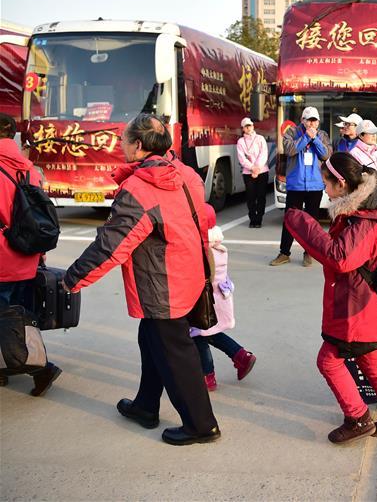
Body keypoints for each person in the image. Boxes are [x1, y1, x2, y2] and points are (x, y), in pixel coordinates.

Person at [63, 113, 220, 446]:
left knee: (176, 353)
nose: (120, 145)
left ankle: (201, 425)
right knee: (152, 342)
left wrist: (72, 279)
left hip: (162, 284)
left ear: (137, 145)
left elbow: (112, 245)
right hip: (188, 273)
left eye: (123, 140)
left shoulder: (139, 188)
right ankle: (146, 406)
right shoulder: (185, 173)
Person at [284, 153, 377, 444]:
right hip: (366, 306)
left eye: (327, 183)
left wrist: (300, 221)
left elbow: (340, 258)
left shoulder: (365, 221)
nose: (324, 189)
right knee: (368, 357)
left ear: (342, 183)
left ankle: (358, 418)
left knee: (328, 361)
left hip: (357, 309)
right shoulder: (365, 210)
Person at [0, 113, 61, 395]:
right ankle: (18, 366)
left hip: (2, 256)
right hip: (27, 254)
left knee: (6, 317)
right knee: (25, 317)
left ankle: (40, 368)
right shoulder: (28, 169)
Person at [191, 204, 257, 392]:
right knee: (210, 333)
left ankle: (207, 376)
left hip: (204, 302)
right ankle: (241, 356)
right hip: (218, 299)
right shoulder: (218, 248)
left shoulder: (202, 251)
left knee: (199, 336)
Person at [270, 106, 330, 268]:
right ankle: (284, 253)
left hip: (315, 185)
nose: (312, 123)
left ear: (318, 121)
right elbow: (290, 150)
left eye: (314, 120)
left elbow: (326, 155)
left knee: (312, 222)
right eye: (309, 120)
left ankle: (309, 253)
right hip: (296, 185)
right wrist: (305, 138)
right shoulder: (291, 132)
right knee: (290, 220)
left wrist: (314, 138)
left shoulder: (323, 135)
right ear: (302, 120)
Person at [236, 117, 269, 228]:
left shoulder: (260, 139)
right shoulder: (240, 142)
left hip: (262, 171)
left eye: (250, 125)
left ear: (253, 126)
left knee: (261, 196)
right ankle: (252, 218)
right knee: (250, 197)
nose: (248, 128)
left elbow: (264, 154)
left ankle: (259, 218)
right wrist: (252, 168)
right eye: (246, 126)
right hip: (248, 173)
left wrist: (257, 168)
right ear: (243, 129)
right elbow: (241, 158)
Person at [350, 119, 377, 187]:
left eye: (375, 132)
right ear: (361, 136)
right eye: (371, 133)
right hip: (368, 194)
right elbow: (355, 179)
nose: (374, 136)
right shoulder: (354, 153)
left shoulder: (375, 152)